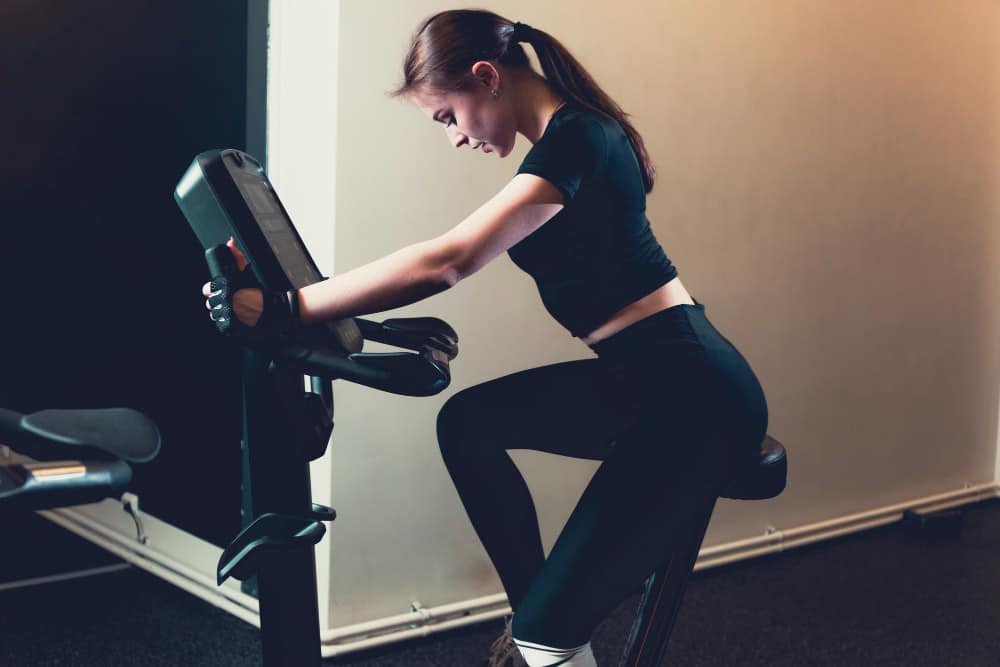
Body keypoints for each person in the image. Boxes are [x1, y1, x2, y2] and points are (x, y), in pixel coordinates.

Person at [203, 9, 769, 667]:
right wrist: (291, 299)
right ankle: (538, 628)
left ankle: (542, 637)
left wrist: (286, 305)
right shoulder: (566, 142)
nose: (454, 138)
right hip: (642, 378)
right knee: (468, 423)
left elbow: (449, 259)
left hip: (693, 391)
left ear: (485, 76)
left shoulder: (579, 137)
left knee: (546, 635)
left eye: (447, 117)